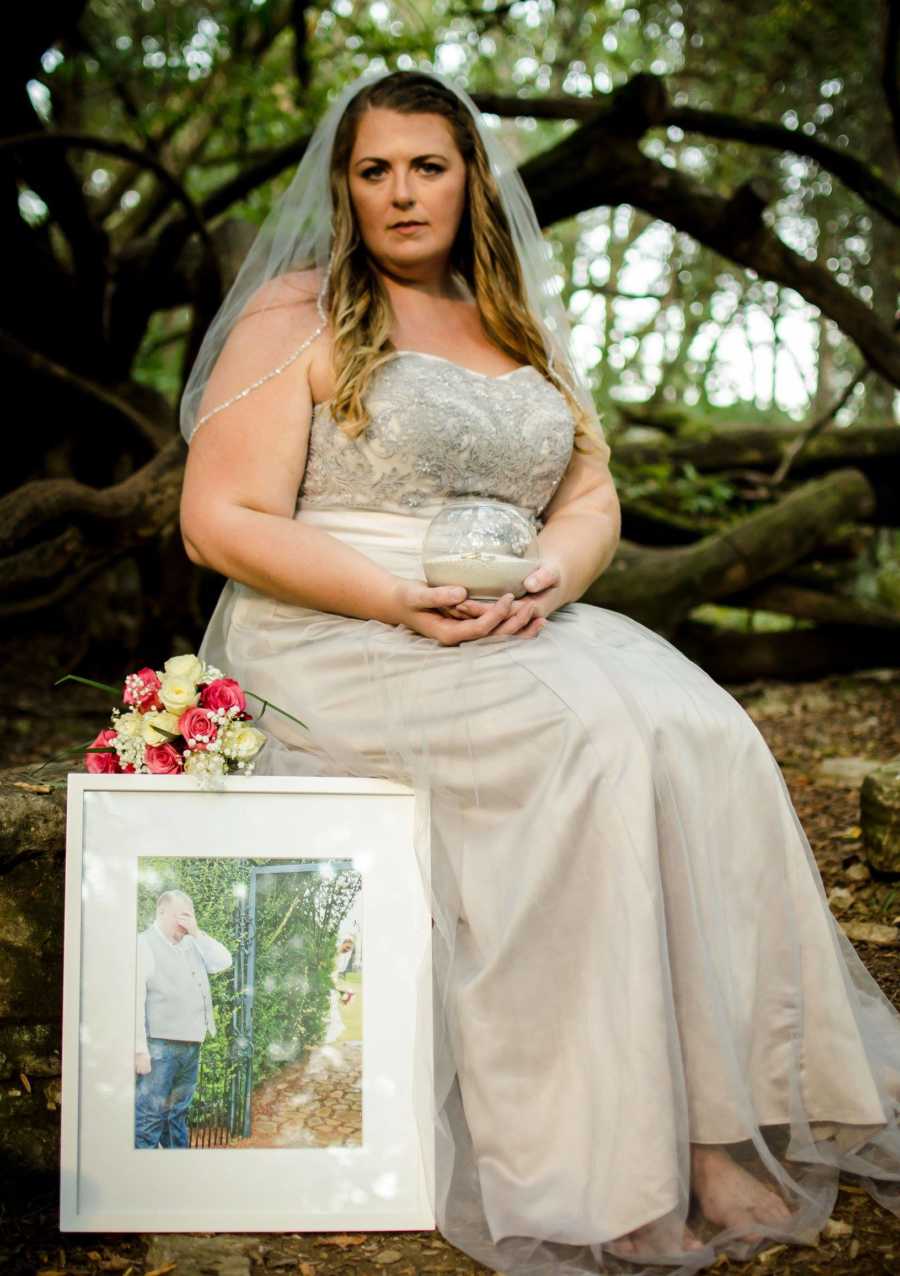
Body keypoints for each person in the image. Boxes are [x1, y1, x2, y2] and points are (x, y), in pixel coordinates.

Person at [176, 66, 900, 1275]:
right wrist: (399, 595)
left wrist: (554, 577)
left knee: (702, 732)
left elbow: (591, 494)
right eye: (374, 171)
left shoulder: (514, 323)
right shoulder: (296, 317)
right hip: (338, 622)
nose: (402, 193)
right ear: (345, 191)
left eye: (428, 165)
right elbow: (220, 521)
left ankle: (716, 1124)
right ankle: (600, 1160)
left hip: (513, 613)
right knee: (592, 748)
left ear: (468, 179)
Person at [135, 889, 233, 1149]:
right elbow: (133, 1001)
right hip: (159, 1047)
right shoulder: (143, 944)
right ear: (162, 912)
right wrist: (138, 1049)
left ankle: (179, 1170)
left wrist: (197, 933)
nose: (185, 923)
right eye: (181, 916)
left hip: (191, 1045)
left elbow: (224, 961)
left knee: (176, 1115)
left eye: (190, 916)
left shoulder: (193, 943)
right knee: (149, 1118)